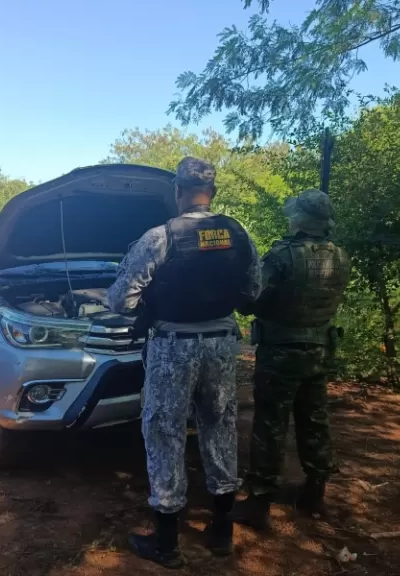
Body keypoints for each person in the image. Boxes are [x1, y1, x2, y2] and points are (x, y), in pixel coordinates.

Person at [107, 157, 261, 569]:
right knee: (220, 425)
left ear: (177, 191)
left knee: (164, 432)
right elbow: (253, 291)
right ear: (213, 192)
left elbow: (120, 300)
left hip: (173, 347)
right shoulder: (238, 233)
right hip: (222, 346)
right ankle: (222, 532)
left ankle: (166, 543)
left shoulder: (160, 237)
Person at [232, 188, 351, 531]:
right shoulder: (340, 255)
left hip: (281, 351)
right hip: (320, 350)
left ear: (300, 218)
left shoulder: (283, 255)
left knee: (270, 423)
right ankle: (315, 491)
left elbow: (252, 300)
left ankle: (259, 501)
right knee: (314, 419)